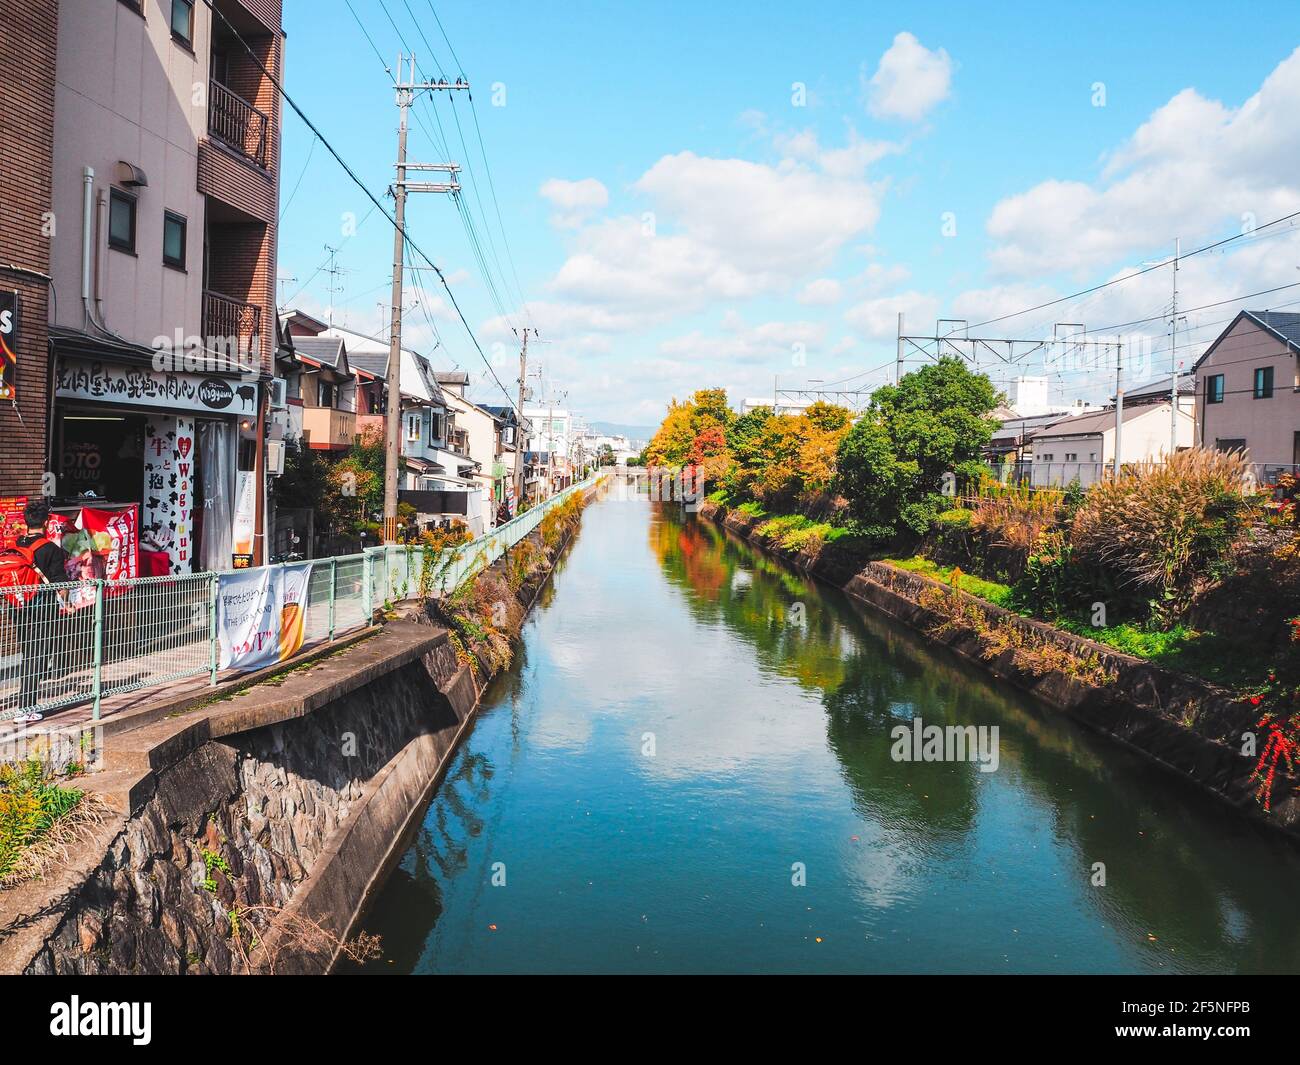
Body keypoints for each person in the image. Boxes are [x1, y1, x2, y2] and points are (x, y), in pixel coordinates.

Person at [10, 499, 70, 721]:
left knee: (29, 653)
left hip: (18, 606)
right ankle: (25, 708)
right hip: (42, 608)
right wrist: (66, 602)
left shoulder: (17, 543)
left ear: (26, 522)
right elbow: (60, 583)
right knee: (36, 656)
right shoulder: (51, 549)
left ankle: (25, 704)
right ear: (46, 522)